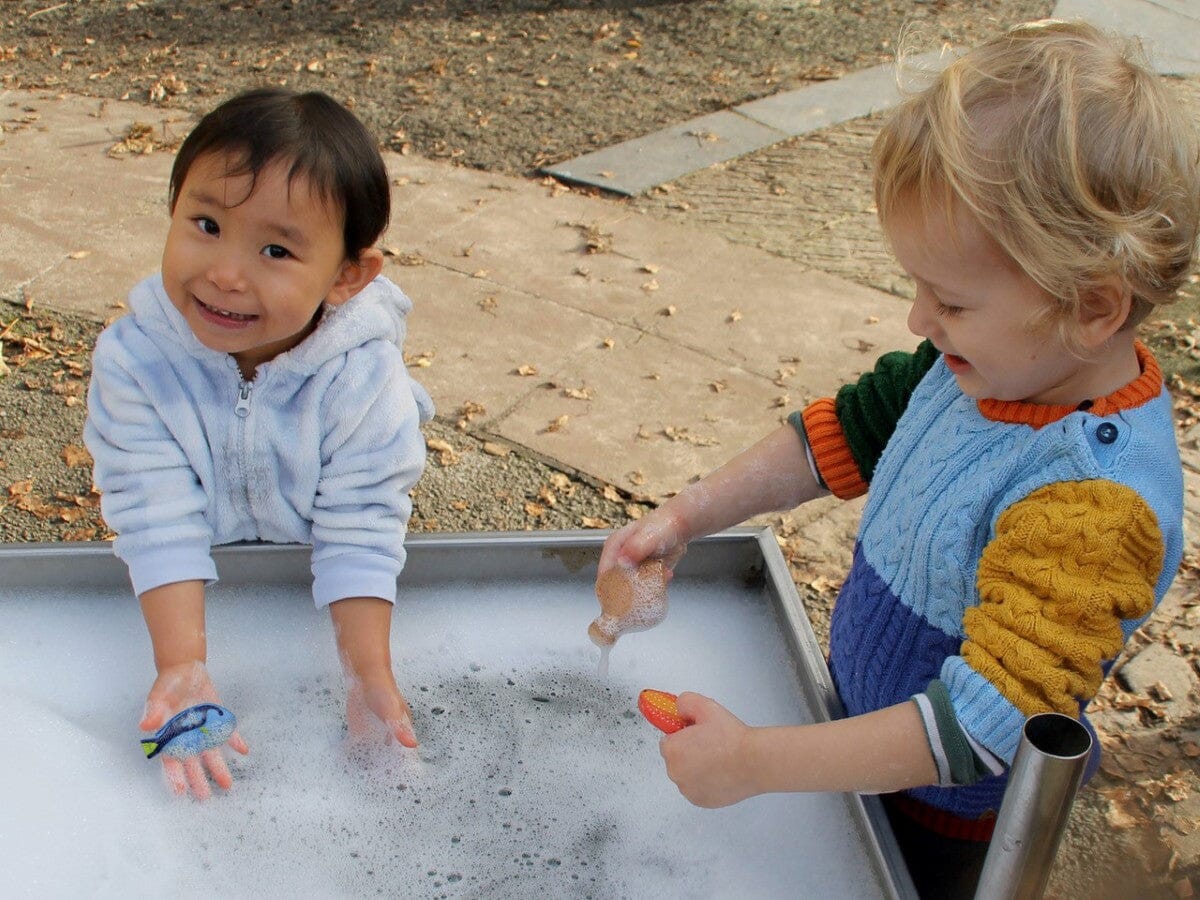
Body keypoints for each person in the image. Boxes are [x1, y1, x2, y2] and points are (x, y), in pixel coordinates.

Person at [596, 20, 1197, 897]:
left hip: (945, 816)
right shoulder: (983, 364)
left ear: (1093, 307)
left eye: (949, 298)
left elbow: (975, 731)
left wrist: (756, 762)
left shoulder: (1093, 512)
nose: (919, 321)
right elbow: (838, 431)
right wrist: (689, 513)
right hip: (859, 728)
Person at [85, 87, 434, 800]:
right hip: (193, 582)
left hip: (309, 587)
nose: (225, 273)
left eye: (276, 248)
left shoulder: (363, 376)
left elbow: (361, 523)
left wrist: (367, 674)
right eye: (205, 223)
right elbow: (154, 513)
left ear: (346, 276)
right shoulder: (136, 361)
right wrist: (182, 664)